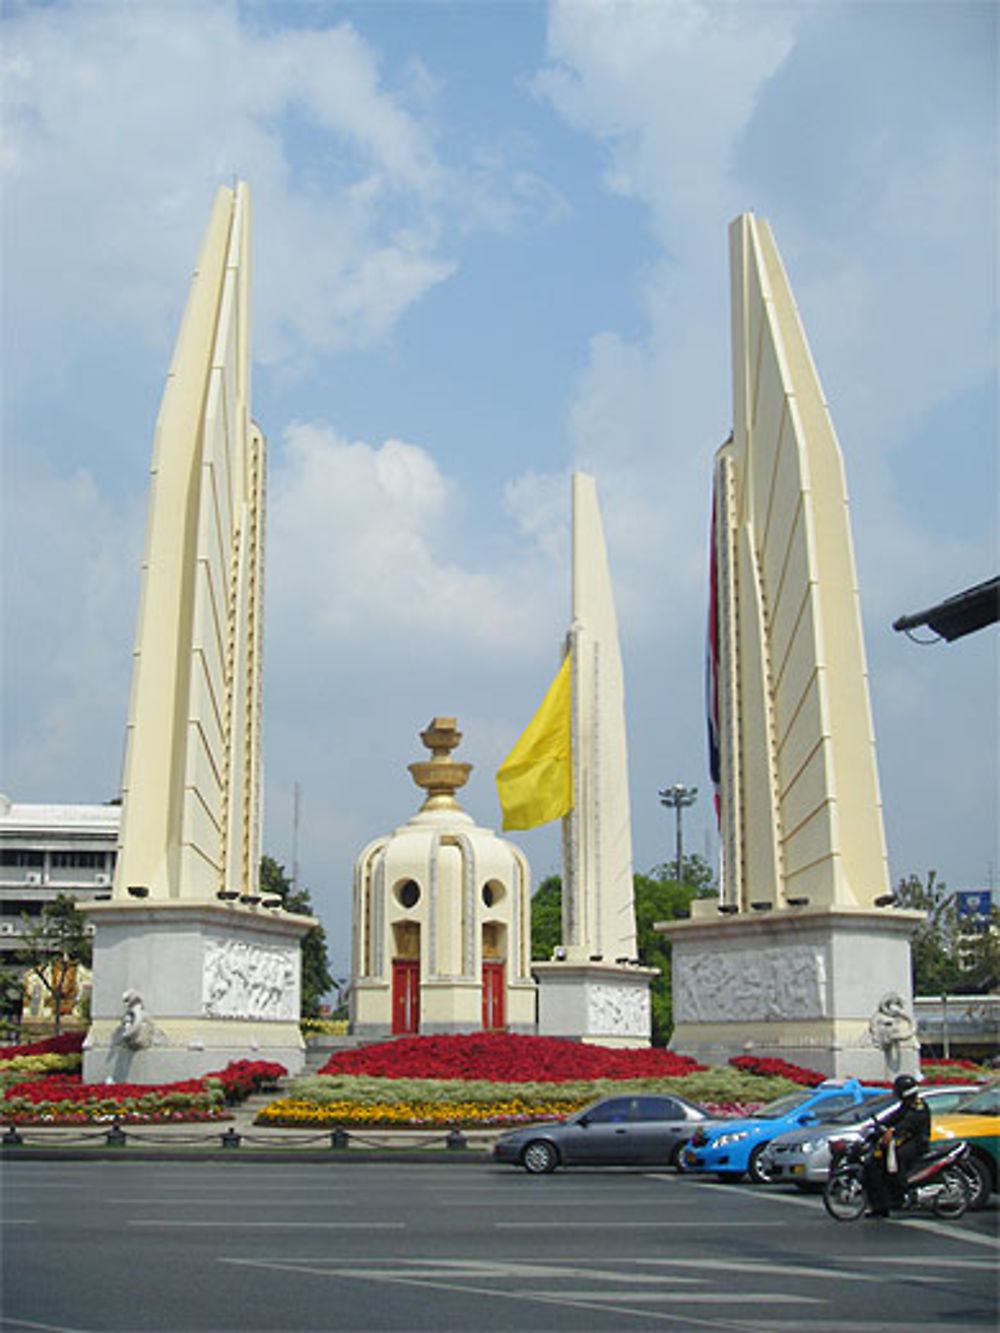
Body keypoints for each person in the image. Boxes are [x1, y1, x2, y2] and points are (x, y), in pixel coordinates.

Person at [863, 1074, 931, 1217]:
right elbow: (895, 1116)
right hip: (903, 1139)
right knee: (879, 1162)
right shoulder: (906, 1105)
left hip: (917, 1142)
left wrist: (893, 1130)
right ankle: (881, 1205)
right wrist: (880, 1124)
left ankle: (901, 1190)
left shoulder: (918, 1106)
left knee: (898, 1157)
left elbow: (909, 1122)